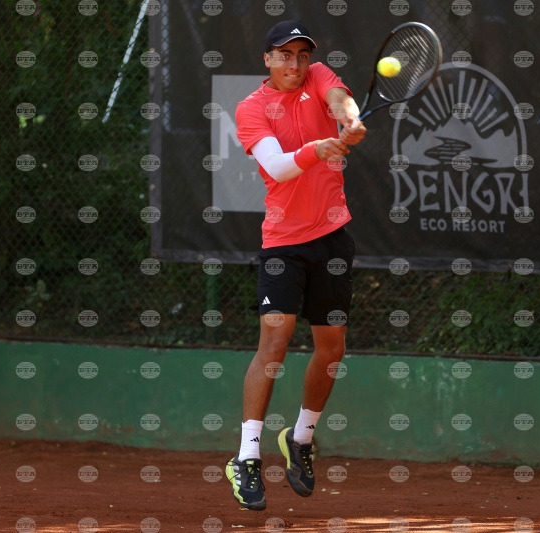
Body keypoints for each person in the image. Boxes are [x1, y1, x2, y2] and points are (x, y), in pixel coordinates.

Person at [226, 20, 366, 511]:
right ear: (267, 59)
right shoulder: (251, 107)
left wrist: (350, 121)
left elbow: (340, 101)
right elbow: (277, 166)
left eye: (302, 55)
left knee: (332, 348)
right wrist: (315, 150)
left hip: (332, 237)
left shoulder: (319, 76)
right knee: (276, 338)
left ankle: (300, 438)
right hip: (284, 243)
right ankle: (246, 456)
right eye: (285, 55)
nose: (295, 63)